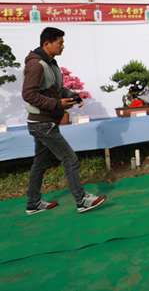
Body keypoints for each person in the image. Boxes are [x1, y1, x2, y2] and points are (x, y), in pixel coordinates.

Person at [22, 27, 106, 215]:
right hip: (42, 123)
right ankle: (81, 199)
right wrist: (57, 104)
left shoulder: (51, 64)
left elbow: (56, 90)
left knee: (40, 163)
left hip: (44, 122)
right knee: (69, 158)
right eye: (60, 43)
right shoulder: (36, 65)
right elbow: (28, 94)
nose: (63, 46)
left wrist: (73, 96)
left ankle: (33, 203)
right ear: (47, 44)